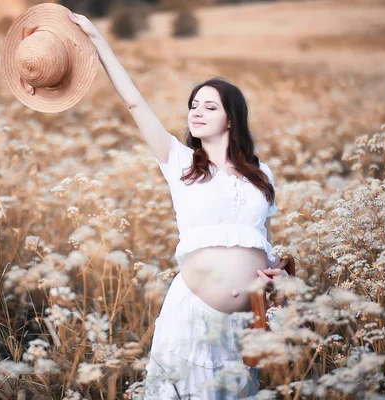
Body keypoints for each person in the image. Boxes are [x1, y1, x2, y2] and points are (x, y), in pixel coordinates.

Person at [68, 11, 289, 399]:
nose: (196, 112)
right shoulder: (181, 162)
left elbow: (264, 243)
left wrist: (278, 278)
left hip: (242, 326)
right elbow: (135, 103)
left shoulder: (263, 174)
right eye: (194, 105)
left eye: (209, 106)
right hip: (191, 318)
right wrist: (97, 39)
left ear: (231, 119)